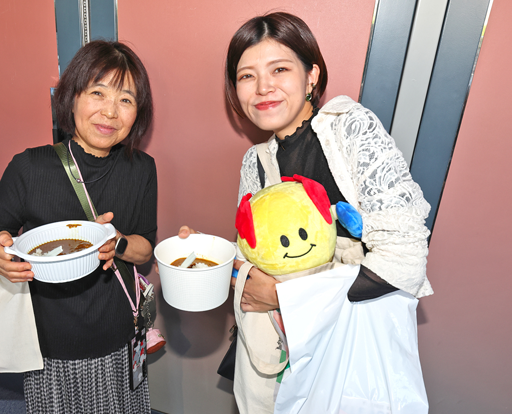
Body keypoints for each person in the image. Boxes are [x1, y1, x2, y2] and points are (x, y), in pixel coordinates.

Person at [178, 11, 432, 413]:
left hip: (347, 353)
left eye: (279, 69)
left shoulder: (349, 129)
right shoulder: (255, 162)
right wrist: (209, 257)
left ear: (311, 75)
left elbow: (404, 262)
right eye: (247, 76)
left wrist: (283, 296)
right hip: (279, 354)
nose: (263, 87)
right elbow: (255, 256)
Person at [0, 40, 157, 413]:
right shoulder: (30, 167)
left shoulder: (142, 168)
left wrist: (119, 242)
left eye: (125, 99)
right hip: (50, 342)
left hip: (119, 332)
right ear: (72, 98)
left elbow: (145, 249)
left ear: (137, 112)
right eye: (97, 93)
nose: (110, 111)